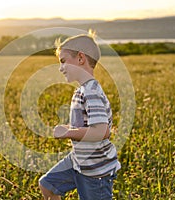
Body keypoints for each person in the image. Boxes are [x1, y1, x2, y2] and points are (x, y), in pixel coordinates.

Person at [39, 33, 121, 200]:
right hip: (78, 160)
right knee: (48, 185)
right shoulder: (81, 91)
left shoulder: (91, 92)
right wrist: (70, 129)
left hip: (95, 170)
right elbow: (86, 127)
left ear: (81, 58)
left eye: (63, 61)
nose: (60, 68)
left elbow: (101, 131)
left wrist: (68, 132)